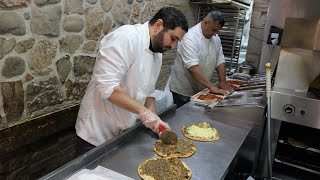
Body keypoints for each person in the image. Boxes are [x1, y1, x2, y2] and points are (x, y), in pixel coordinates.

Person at [75, 7, 188, 155]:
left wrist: (157, 124)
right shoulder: (125, 38)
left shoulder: (157, 53)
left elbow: (148, 94)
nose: (174, 46)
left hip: (123, 133)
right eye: (173, 38)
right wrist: (145, 114)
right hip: (96, 134)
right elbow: (108, 87)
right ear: (159, 25)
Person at [170, 10, 233, 108]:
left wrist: (223, 82)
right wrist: (211, 86)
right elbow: (193, 68)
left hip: (202, 89)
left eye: (217, 30)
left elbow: (220, 61)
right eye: (214, 30)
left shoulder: (216, 39)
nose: (216, 34)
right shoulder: (190, 37)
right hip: (183, 92)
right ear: (206, 22)